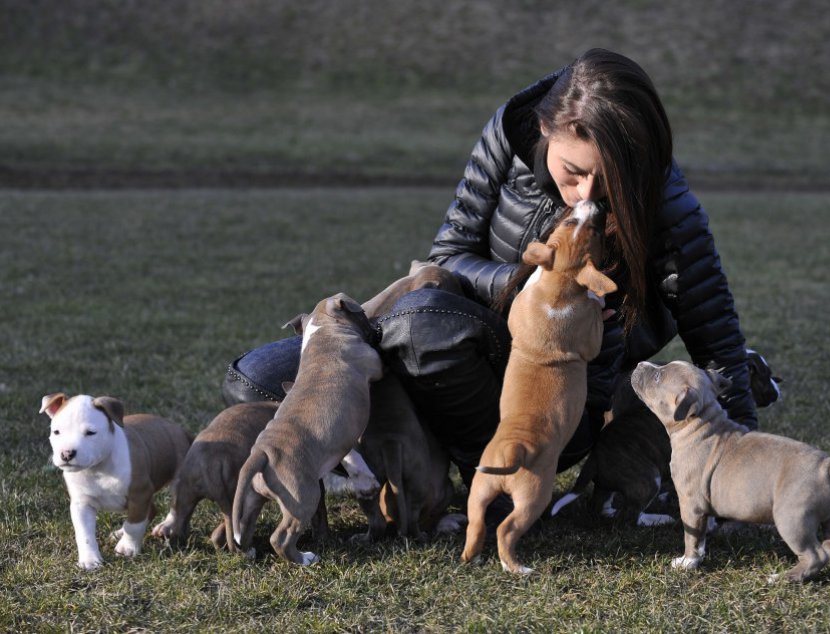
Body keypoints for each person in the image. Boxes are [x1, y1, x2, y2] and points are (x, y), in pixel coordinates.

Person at [222, 48, 758, 487]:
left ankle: (487, 472)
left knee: (422, 324)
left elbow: (719, 347)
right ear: (546, 129)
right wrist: (525, 283)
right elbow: (446, 257)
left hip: (554, 394)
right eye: (573, 172)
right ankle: (420, 447)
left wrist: (739, 462)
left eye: (607, 180)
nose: (587, 194)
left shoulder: (668, 205)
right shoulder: (509, 133)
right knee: (258, 380)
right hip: (468, 341)